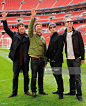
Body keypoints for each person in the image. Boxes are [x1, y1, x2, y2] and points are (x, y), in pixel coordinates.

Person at [2, 12, 31, 98]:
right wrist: (4, 19)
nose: (22, 28)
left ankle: (26, 90)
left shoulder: (27, 37)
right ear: (18, 28)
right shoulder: (14, 35)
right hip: (17, 60)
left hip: (25, 60)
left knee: (26, 76)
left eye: (23, 26)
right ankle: (14, 92)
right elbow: (6, 29)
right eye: (20, 26)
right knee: (15, 77)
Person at [63, 17, 85, 101]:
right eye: (67, 21)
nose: (69, 22)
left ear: (72, 23)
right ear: (65, 24)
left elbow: (81, 45)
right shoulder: (64, 34)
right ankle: (72, 91)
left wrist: (82, 58)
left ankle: (79, 94)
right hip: (69, 58)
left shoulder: (77, 33)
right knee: (71, 76)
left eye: (70, 21)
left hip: (76, 58)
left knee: (77, 77)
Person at [28, 8, 48, 97]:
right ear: (35, 29)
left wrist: (46, 60)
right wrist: (33, 18)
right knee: (34, 76)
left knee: (41, 76)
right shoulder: (32, 36)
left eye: (40, 27)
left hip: (42, 60)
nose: (39, 28)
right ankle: (33, 91)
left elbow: (45, 50)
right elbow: (29, 29)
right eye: (37, 27)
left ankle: (41, 90)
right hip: (34, 60)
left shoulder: (43, 38)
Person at [46, 22, 64, 100]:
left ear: (56, 28)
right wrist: (48, 58)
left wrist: (54, 59)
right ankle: (58, 90)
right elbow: (50, 49)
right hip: (52, 60)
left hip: (57, 60)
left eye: (54, 27)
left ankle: (61, 93)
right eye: (51, 27)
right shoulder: (51, 37)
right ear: (49, 29)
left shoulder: (59, 36)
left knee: (58, 76)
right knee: (55, 75)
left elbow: (60, 49)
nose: (52, 28)